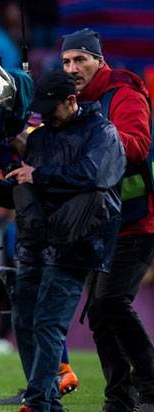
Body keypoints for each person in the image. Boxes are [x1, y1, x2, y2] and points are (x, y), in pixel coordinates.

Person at [0, 70, 125, 412]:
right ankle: (47, 401)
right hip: (37, 241)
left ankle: (37, 402)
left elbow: (95, 177)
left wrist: (38, 175)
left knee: (49, 322)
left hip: (78, 241)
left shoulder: (103, 133)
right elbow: (38, 190)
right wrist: (2, 190)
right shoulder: (40, 138)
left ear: (71, 101)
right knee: (24, 320)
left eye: (52, 109)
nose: (46, 116)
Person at [62, 28, 154, 412]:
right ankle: (120, 397)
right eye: (66, 61)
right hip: (99, 225)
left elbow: (138, 145)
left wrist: (93, 133)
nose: (72, 68)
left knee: (112, 302)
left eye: (80, 59)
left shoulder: (123, 94)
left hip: (135, 222)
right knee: (100, 312)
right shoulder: (74, 104)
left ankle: (149, 386)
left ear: (100, 61)